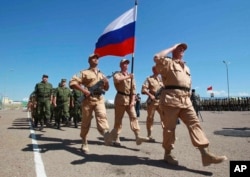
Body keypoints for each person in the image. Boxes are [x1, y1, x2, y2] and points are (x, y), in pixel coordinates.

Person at [153, 43, 227, 166]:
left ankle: (205, 154)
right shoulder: (167, 63)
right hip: (171, 99)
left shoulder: (187, 68)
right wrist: (172, 47)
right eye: (179, 48)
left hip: (186, 100)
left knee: (195, 124)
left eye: (183, 48)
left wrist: (189, 97)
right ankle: (168, 154)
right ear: (174, 50)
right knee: (169, 129)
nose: (182, 49)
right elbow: (156, 57)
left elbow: (189, 84)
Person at [69, 53, 111, 153]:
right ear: (89, 60)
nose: (95, 59)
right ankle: (84, 142)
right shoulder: (84, 72)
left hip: (99, 99)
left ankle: (105, 133)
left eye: (97, 58)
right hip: (88, 100)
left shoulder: (102, 74)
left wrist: (107, 82)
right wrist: (84, 91)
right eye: (93, 58)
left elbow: (107, 89)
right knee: (86, 122)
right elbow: (72, 83)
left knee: (102, 115)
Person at [107, 59, 149, 146]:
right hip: (120, 98)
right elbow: (117, 80)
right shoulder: (117, 74)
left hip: (129, 99)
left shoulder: (131, 77)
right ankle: (116, 137)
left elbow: (133, 90)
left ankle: (137, 136)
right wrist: (128, 77)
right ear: (121, 65)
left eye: (127, 63)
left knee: (134, 117)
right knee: (118, 120)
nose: (126, 65)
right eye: (124, 63)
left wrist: (133, 101)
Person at [141, 66, 164, 141]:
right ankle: (149, 135)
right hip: (152, 102)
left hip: (161, 101)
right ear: (153, 70)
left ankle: (167, 135)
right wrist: (150, 95)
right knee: (150, 118)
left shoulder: (162, 79)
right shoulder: (149, 79)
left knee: (165, 118)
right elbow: (143, 89)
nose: (159, 70)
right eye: (157, 68)